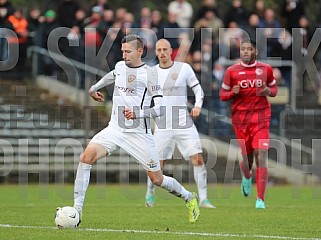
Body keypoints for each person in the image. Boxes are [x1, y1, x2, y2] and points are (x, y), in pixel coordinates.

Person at [72, 34, 200, 224]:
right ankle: (77, 211)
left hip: (139, 134)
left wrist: (138, 113)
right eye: (123, 51)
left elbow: (160, 108)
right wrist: (93, 88)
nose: (124, 55)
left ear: (140, 51)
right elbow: (112, 75)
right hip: (115, 129)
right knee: (85, 158)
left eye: (128, 51)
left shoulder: (150, 74)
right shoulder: (119, 66)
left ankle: (189, 197)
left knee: (157, 179)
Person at [145, 38, 215, 209]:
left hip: (184, 123)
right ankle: (150, 194)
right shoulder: (152, 73)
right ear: (156, 52)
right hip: (163, 125)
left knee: (197, 158)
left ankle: (204, 199)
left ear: (171, 51)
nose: (162, 53)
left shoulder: (184, 68)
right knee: (157, 164)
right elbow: (146, 99)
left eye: (165, 49)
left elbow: (198, 89)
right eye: (159, 50)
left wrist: (197, 106)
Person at [219, 39, 278, 209]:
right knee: (248, 160)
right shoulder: (232, 71)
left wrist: (269, 91)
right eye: (243, 49)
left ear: (255, 51)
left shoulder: (265, 69)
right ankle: (246, 176)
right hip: (241, 121)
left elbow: (274, 90)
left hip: (261, 119)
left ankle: (260, 199)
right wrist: (232, 92)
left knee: (261, 155)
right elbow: (222, 95)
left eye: (249, 49)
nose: (245, 52)